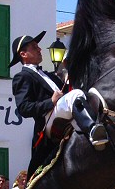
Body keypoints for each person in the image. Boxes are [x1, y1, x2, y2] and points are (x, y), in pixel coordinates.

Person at [9, 32, 108, 179]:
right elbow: (24, 108)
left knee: (91, 95)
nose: (39, 49)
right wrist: (51, 101)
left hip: (63, 111)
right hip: (47, 119)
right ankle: (94, 129)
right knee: (75, 96)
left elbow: (67, 89)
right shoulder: (22, 77)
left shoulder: (48, 75)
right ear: (23, 54)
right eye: (34, 47)